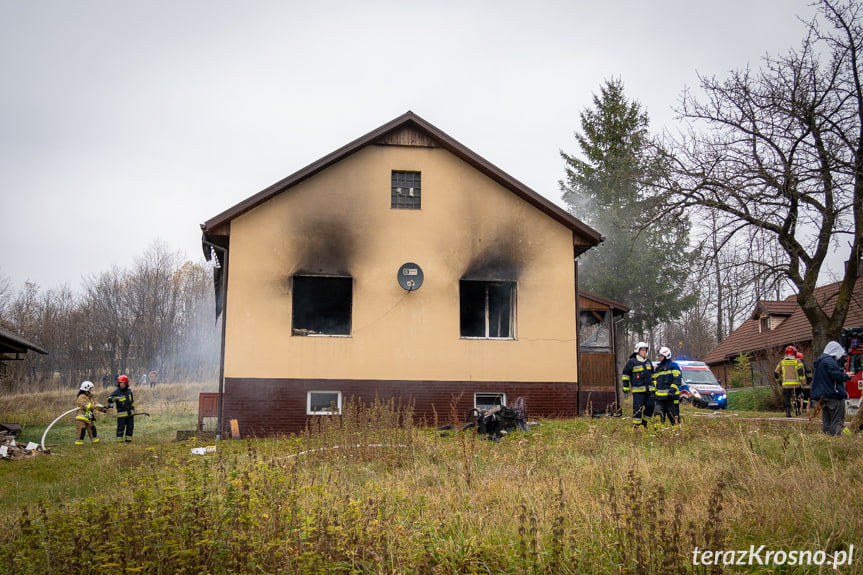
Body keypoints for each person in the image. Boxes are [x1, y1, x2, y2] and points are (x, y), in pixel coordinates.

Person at [810, 341, 851, 436]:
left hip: (822, 396)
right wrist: (846, 376)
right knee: (836, 420)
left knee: (826, 420)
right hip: (832, 395)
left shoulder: (820, 361)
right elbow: (835, 375)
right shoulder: (829, 361)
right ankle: (835, 438)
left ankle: (826, 437)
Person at [622, 342, 654, 428]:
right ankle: (636, 427)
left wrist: (654, 386)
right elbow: (625, 374)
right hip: (638, 392)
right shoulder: (632, 362)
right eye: (643, 350)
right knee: (638, 410)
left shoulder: (648, 362)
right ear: (638, 350)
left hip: (649, 391)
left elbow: (653, 375)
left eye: (645, 350)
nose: (644, 352)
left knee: (651, 407)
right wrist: (625, 386)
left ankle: (645, 423)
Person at [653, 346, 682, 425]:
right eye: (659, 356)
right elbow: (654, 382)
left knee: (674, 418)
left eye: (661, 356)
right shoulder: (658, 368)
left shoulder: (674, 366)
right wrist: (653, 393)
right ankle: (658, 435)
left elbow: (677, 380)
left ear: (666, 356)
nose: (660, 358)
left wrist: (671, 391)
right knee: (658, 416)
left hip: (671, 398)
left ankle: (677, 434)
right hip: (659, 399)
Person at [774, 345, 805, 417]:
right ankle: (797, 411)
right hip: (796, 384)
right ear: (794, 353)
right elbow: (801, 373)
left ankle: (788, 412)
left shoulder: (782, 362)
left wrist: (779, 382)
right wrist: (803, 383)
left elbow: (776, 373)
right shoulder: (798, 361)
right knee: (797, 397)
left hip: (786, 385)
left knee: (787, 398)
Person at [74, 381, 108, 446]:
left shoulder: (90, 397)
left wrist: (103, 409)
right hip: (81, 419)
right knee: (81, 432)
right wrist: (95, 406)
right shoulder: (81, 397)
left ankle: (96, 444)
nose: (91, 390)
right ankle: (78, 446)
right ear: (86, 388)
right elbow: (86, 405)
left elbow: (95, 404)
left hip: (88, 418)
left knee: (93, 431)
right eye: (90, 388)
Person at [107, 375, 135, 442]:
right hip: (122, 414)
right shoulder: (117, 391)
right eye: (120, 383)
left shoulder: (129, 391)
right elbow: (108, 398)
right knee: (120, 428)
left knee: (130, 427)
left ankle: (128, 440)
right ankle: (119, 441)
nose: (122, 385)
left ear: (126, 383)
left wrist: (133, 410)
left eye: (123, 383)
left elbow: (132, 401)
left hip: (130, 414)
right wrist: (113, 399)